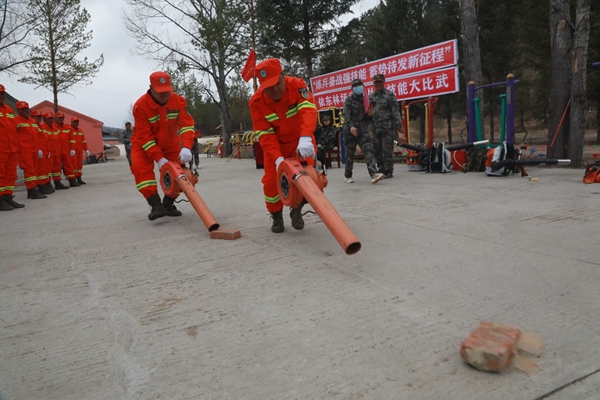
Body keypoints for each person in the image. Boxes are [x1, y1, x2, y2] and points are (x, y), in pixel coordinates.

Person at [249, 58, 317, 233]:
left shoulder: (298, 86)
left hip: (300, 142)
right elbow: (265, 134)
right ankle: (276, 216)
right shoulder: (257, 102)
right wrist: (278, 159)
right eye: (268, 87)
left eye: (277, 83)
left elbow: (308, 110)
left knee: (307, 178)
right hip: (275, 147)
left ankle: (297, 209)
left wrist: (306, 137)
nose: (274, 89)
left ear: (283, 76)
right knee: (271, 183)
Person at [130, 71, 196, 221]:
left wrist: (186, 146)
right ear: (151, 88)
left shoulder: (178, 101)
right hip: (143, 144)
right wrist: (159, 158)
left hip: (170, 144)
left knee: (180, 174)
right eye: (160, 92)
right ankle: (155, 205)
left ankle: (168, 204)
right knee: (141, 170)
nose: (164, 94)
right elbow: (144, 136)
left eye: (167, 90)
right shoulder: (141, 106)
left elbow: (186, 125)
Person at [342, 78, 384, 184]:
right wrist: (351, 127)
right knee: (350, 154)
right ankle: (348, 175)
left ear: (363, 87)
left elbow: (367, 119)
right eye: (355, 86)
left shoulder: (366, 100)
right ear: (352, 89)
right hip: (350, 131)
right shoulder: (348, 100)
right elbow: (346, 115)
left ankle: (373, 174)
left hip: (362, 130)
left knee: (368, 149)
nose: (358, 87)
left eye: (360, 85)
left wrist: (370, 114)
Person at [368, 74, 403, 178]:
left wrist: (399, 126)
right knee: (377, 149)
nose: (378, 84)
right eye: (376, 82)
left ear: (383, 82)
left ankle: (388, 170)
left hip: (387, 127)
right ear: (374, 84)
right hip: (375, 128)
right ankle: (381, 169)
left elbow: (395, 111)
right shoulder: (370, 97)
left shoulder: (389, 95)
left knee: (387, 149)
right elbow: (368, 113)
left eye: (380, 82)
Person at [14, 101, 46, 200]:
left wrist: (39, 148)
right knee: (29, 170)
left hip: (34, 149)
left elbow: (37, 136)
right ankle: (32, 190)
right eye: (22, 109)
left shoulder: (32, 121)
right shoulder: (16, 121)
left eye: (26, 109)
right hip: (24, 150)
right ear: (18, 110)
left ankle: (33, 189)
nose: (24, 111)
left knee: (35, 169)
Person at [0, 84, 24, 211]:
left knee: (11, 174)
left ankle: (8, 196)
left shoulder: (9, 110)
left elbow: (13, 128)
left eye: (2, 93)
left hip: (11, 148)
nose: (1, 96)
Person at [42, 112, 68, 190]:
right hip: (49, 153)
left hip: (56, 152)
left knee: (57, 169)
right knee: (48, 169)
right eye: (49, 119)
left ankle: (57, 182)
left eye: (52, 119)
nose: (51, 120)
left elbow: (58, 140)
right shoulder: (43, 128)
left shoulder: (55, 129)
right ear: (45, 119)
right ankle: (48, 183)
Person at [31, 110, 54, 194]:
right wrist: (38, 149)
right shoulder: (34, 126)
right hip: (39, 151)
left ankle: (45, 184)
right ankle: (41, 186)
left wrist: (48, 150)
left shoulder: (40, 127)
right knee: (40, 170)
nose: (39, 118)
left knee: (45, 169)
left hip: (44, 151)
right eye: (37, 117)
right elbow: (35, 139)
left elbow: (45, 139)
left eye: (40, 116)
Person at [54, 111, 79, 187]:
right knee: (57, 167)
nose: (61, 119)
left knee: (69, 166)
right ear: (55, 118)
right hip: (56, 151)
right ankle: (57, 182)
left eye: (62, 118)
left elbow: (72, 140)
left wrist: (72, 149)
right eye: (59, 118)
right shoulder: (52, 127)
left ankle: (72, 180)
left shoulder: (67, 128)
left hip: (66, 151)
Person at [69, 117, 90, 184]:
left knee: (79, 165)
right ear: (71, 122)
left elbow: (83, 141)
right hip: (72, 152)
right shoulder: (69, 130)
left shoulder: (80, 130)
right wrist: (71, 149)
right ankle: (73, 179)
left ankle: (79, 178)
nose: (76, 123)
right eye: (74, 122)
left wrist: (86, 149)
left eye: (77, 122)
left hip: (79, 151)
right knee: (73, 166)